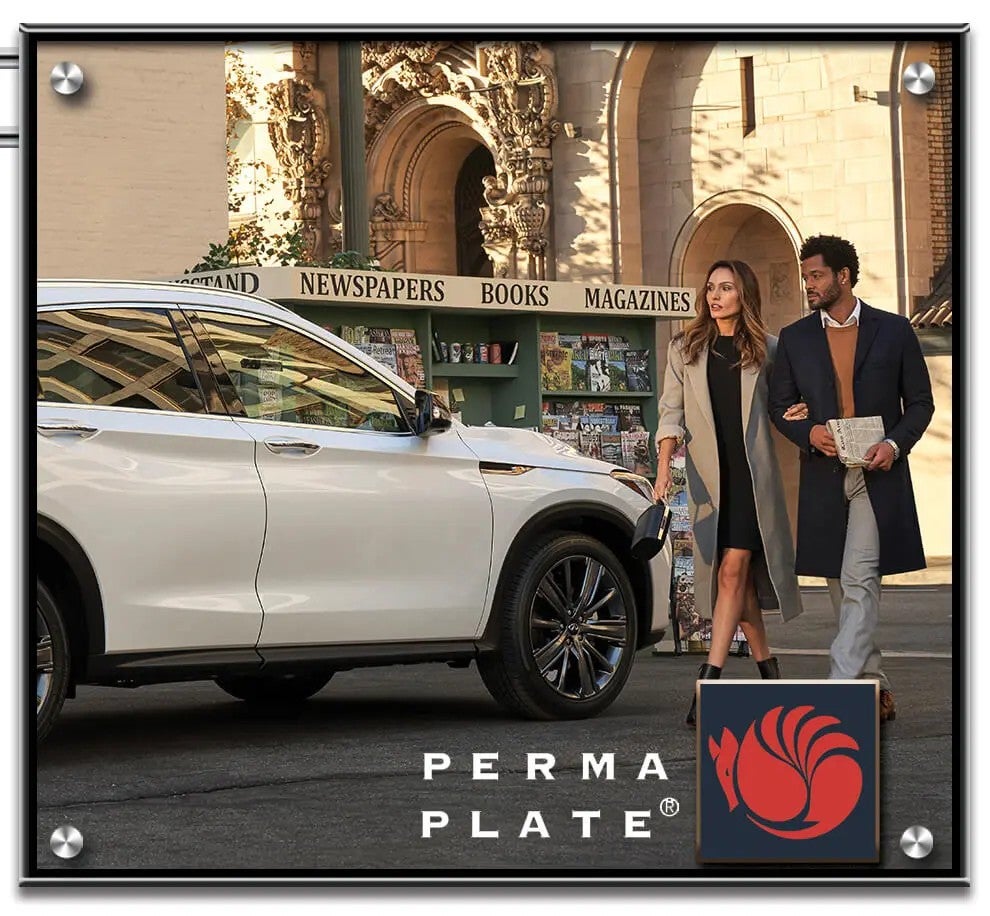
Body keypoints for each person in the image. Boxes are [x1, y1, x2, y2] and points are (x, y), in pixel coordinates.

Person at [768, 234, 934, 723]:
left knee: (860, 578)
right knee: (841, 584)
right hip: (823, 476)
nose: (809, 285)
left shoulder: (895, 330)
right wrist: (808, 430)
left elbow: (920, 402)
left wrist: (894, 444)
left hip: (876, 476)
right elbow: (781, 408)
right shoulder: (795, 337)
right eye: (805, 278)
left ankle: (839, 694)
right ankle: (874, 683)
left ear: (844, 276)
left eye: (816, 276)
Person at [655, 260, 804, 727]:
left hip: (751, 479)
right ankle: (769, 673)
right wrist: (663, 467)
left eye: (726, 288)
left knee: (731, 572)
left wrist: (802, 409)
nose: (714, 296)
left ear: (745, 295)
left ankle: (709, 682)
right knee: (737, 588)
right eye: (710, 287)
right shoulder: (684, 348)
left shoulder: (769, 349)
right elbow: (669, 413)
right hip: (706, 479)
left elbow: (786, 404)